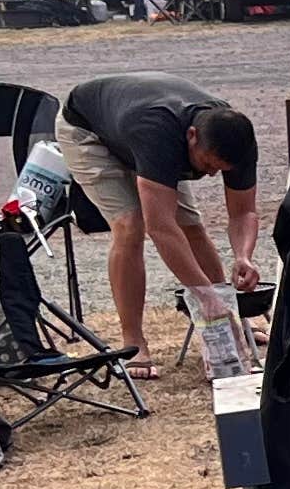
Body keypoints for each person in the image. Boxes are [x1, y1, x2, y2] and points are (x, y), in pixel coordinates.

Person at [54, 75, 261, 376]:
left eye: (221, 169)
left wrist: (244, 256)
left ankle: (228, 320)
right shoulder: (157, 132)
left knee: (191, 225)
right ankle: (133, 342)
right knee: (130, 225)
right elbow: (161, 228)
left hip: (137, 124)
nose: (213, 175)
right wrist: (204, 295)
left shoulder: (235, 139)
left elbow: (243, 213)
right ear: (191, 136)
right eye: (207, 165)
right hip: (88, 129)